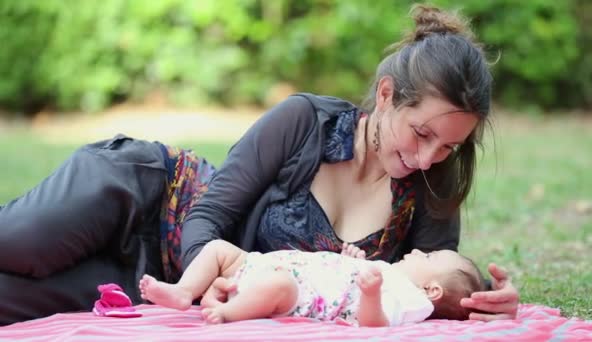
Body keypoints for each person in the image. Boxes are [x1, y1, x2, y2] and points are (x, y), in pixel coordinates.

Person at [0, 4, 519, 325]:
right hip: (142, 197)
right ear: (386, 95)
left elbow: (439, 285)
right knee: (20, 241)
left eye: (448, 147)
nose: (427, 157)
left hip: (149, 278)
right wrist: (214, 280)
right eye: (423, 133)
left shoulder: (431, 186)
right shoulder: (304, 121)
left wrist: (489, 302)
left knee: (10, 298)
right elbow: (207, 215)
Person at [139, 240, 484, 325]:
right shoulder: (388, 272)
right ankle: (184, 291)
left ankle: (227, 314)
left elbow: (374, 325)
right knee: (218, 249)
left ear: (432, 290)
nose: (418, 251)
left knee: (280, 286)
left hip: (293, 291)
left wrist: (370, 292)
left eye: (428, 258)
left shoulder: (411, 300)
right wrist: (355, 260)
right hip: (265, 266)